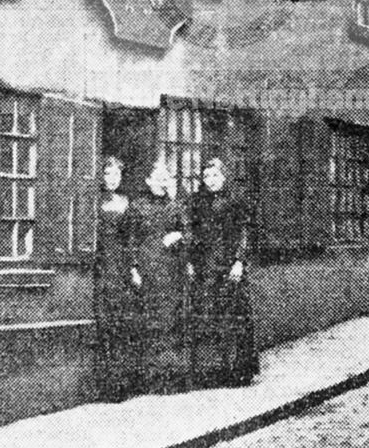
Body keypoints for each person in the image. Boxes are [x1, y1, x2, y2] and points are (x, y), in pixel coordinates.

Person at [189, 157, 259, 388]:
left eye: (215, 176)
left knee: (236, 317)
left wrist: (239, 261)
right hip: (208, 266)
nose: (210, 181)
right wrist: (192, 261)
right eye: (206, 177)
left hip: (230, 267)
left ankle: (240, 370)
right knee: (212, 316)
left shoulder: (237, 199)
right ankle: (218, 369)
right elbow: (193, 233)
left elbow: (245, 232)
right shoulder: (199, 201)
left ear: (224, 176)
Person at [133, 158, 191, 393]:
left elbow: (190, 233)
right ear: (148, 181)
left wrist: (178, 235)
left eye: (165, 179)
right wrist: (134, 268)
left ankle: (172, 378)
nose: (161, 182)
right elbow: (131, 240)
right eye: (157, 178)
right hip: (148, 270)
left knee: (171, 321)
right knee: (150, 320)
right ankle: (152, 379)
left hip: (172, 270)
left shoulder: (176, 206)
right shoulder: (138, 207)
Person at [93, 155, 144, 402]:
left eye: (116, 175)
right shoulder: (94, 201)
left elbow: (131, 239)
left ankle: (124, 384)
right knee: (106, 323)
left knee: (123, 323)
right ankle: (107, 386)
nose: (111, 179)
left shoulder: (126, 203)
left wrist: (133, 267)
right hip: (102, 265)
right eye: (107, 174)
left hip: (121, 267)